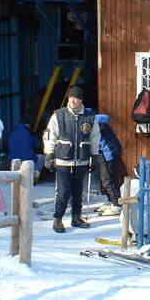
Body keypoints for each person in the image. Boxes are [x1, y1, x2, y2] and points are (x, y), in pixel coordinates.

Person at [43, 85, 100, 233]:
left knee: (78, 192)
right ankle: (58, 219)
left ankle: (76, 217)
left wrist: (95, 156)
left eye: (77, 98)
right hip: (63, 160)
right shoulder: (59, 115)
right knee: (63, 192)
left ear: (81, 100)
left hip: (81, 160)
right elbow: (50, 136)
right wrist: (49, 154)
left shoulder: (90, 117)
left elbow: (95, 138)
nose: (73, 100)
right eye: (71, 97)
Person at [94, 113, 123, 216]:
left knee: (107, 180)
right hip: (108, 153)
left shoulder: (97, 124)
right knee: (108, 179)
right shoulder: (100, 123)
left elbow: (96, 141)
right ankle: (112, 201)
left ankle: (116, 205)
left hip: (107, 154)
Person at [7, 115, 42, 179]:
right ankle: (34, 178)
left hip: (13, 162)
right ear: (28, 124)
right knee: (41, 157)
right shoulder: (30, 133)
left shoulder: (12, 133)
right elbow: (37, 146)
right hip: (27, 161)